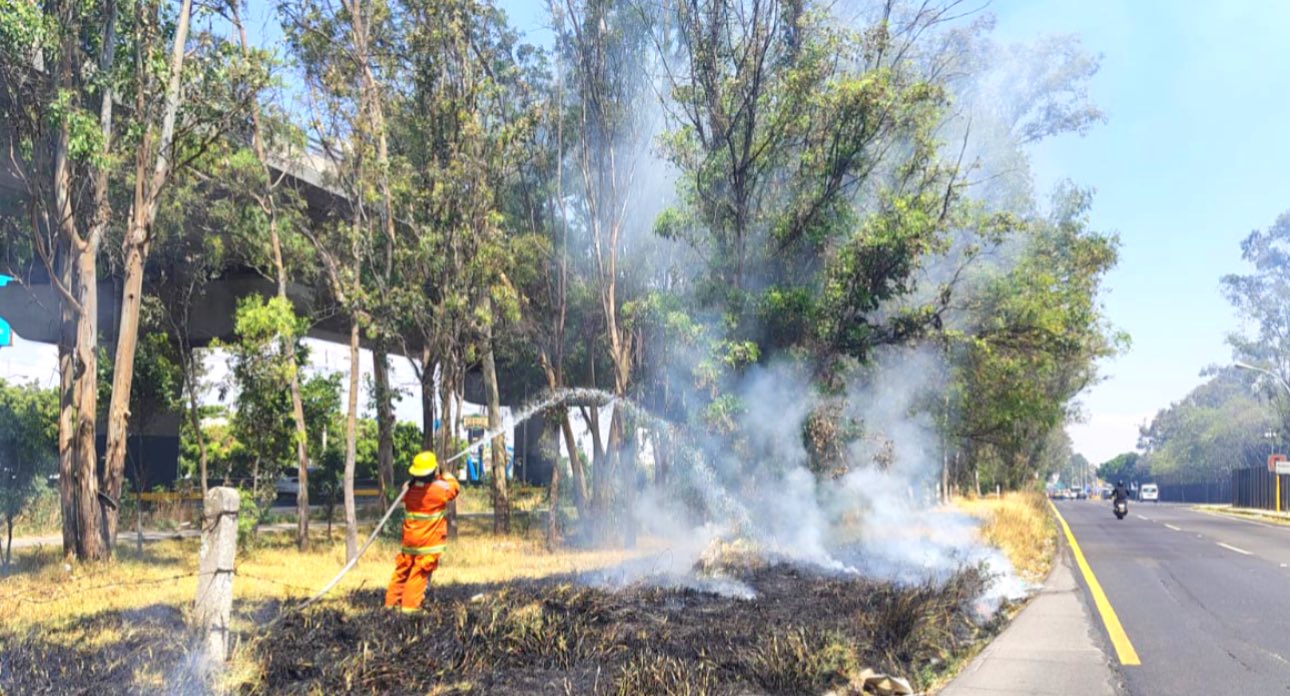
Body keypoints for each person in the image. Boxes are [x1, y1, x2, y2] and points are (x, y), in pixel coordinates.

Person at [385, 451, 460, 612]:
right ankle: (409, 609)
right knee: (418, 575)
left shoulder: (408, 489)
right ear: (432, 471)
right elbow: (454, 488)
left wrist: (434, 474)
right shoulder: (438, 490)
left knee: (402, 572)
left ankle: (390, 605)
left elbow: (411, 485)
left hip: (410, 541)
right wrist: (445, 473)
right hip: (427, 543)